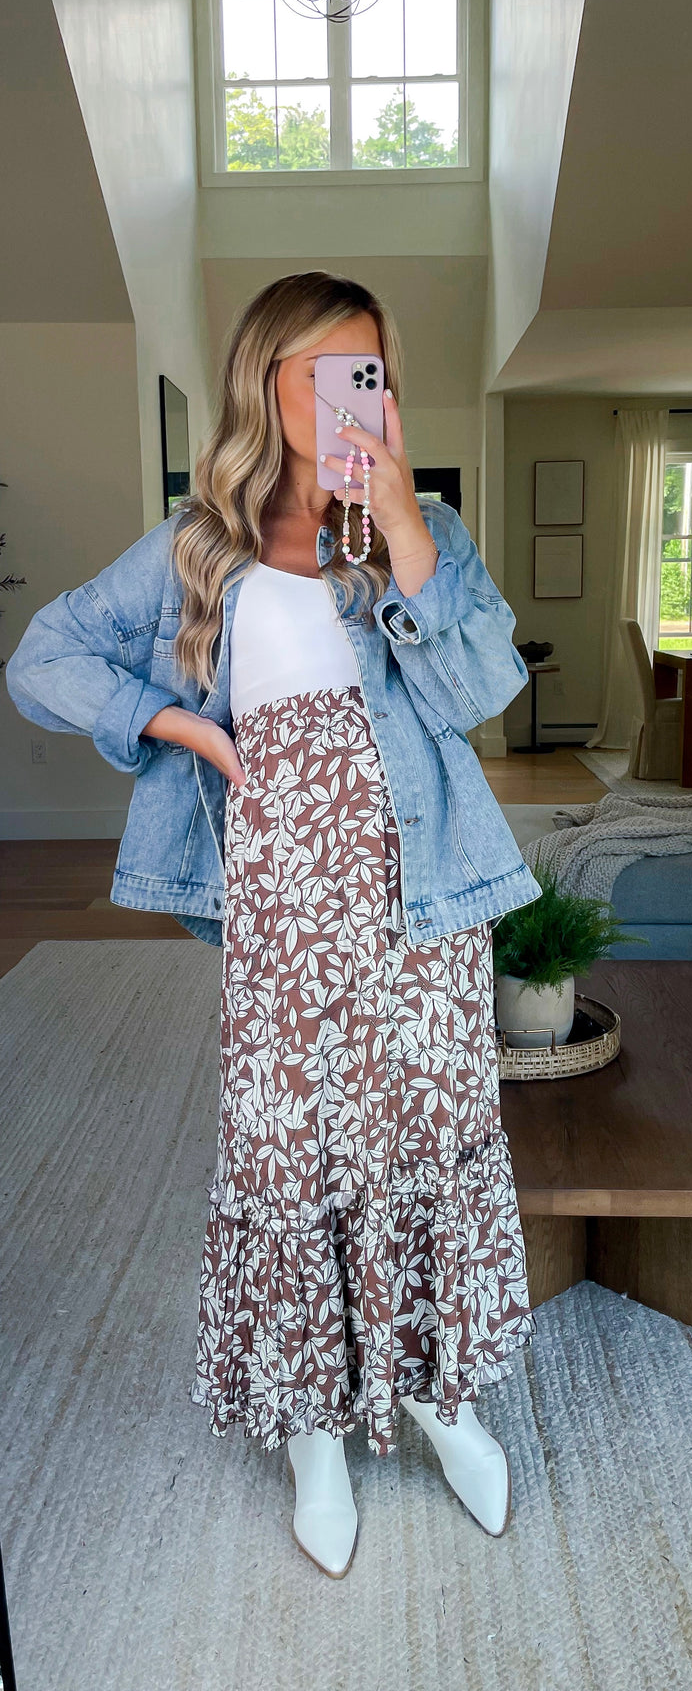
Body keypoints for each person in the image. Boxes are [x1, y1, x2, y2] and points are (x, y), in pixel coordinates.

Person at [6, 270, 542, 1581]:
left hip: (421, 892)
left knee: (422, 1133)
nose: (348, 396)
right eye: (322, 371)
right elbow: (44, 653)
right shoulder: (197, 547)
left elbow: (482, 686)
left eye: (368, 371)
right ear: (266, 382)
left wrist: (402, 523)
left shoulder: (414, 530)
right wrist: (184, 729)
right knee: (287, 1145)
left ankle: (439, 1397)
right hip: (283, 900)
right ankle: (312, 1433)